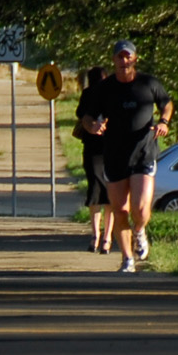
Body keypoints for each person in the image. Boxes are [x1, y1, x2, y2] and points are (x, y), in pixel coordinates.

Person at [76, 41, 172, 273]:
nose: (123, 61)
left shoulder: (148, 83)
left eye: (127, 57)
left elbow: (166, 104)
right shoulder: (104, 88)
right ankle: (127, 259)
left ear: (135, 59)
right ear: (113, 60)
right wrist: (92, 126)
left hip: (144, 152)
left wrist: (164, 122)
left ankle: (140, 231)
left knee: (139, 208)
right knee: (119, 210)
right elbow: (87, 117)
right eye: (119, 57)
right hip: (115, 155)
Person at [72, 66, 113, 253]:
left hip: (111, 149)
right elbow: (80, 114)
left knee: (110, 193)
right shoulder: (88, 94)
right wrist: (93, 124)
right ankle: (96, 235)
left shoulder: (114, 94)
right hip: (92, 148)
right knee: (96, 191)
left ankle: (107, 237)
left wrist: (106, 122)